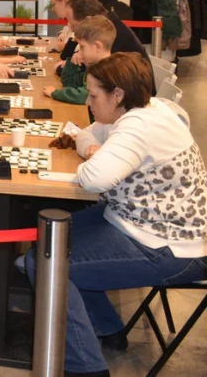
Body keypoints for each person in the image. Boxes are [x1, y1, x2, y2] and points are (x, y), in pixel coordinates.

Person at [24, 53, 207, 377]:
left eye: (94, 96)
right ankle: (106, 328)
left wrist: (94, 154)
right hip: (140, 223)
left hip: (169, 247)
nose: (89, 102)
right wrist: (94, 149)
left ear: (117, 95)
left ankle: (86, 368)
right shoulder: (148, 109)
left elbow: (93, 179)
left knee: (46, 262)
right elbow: (84, 133)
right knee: (50, 240)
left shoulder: (138, 127)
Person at [43, 16, 114, 104]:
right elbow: (68, 81)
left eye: (82, 47)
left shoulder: (105, 71)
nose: (79, 51)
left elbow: (85, 96)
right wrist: (72, 63)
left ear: (98, 47)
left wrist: (55, 93)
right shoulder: (94, 66)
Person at [66, 0, 149, 63]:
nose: (72, 30)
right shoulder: (109, 25)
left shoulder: (110, 32)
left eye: (74, 25)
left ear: (88, 19)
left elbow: (99, 71)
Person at [49, 0, 82, 64]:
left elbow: (66, 57)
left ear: (65, 2)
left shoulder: (81, 24)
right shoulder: (71, 23)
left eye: (54, 4)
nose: (52, 9)